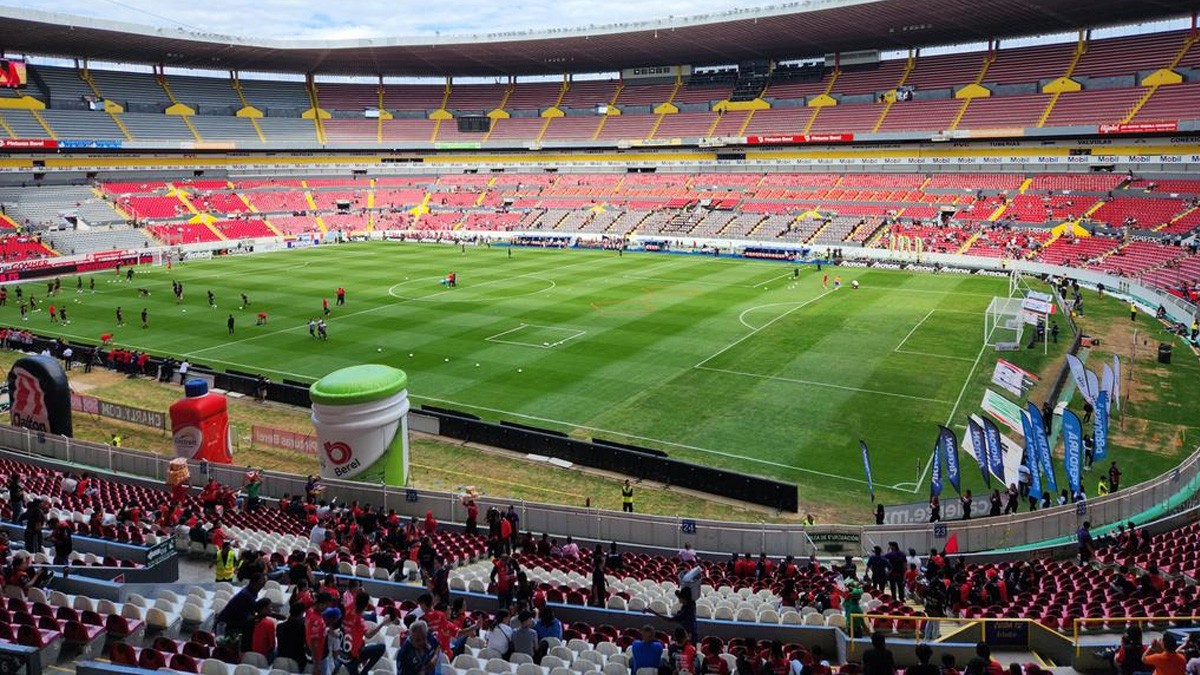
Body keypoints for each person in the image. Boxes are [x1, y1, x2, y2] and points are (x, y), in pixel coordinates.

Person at [276, 602, 309, 671]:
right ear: (302, 613)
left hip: (281, 659)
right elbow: (307, 645)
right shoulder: (303, 628)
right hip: (298, 661)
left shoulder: (279, 626)